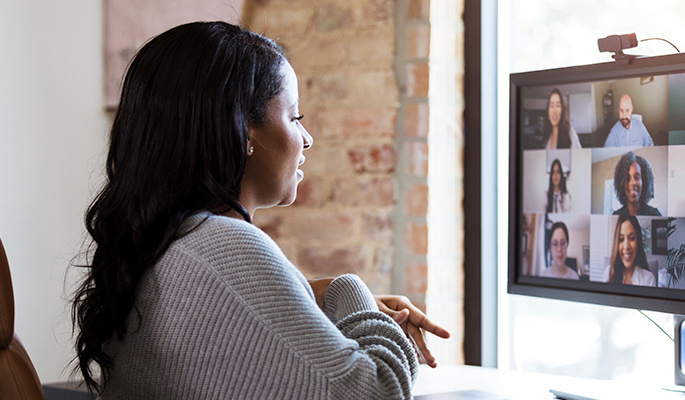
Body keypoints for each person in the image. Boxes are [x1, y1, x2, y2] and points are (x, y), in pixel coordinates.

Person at [71, 22, 449, 399]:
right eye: (294, 117)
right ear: (245, 131)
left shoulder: (165, 243)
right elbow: (379, 392)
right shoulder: (224, 244)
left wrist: (306, 296)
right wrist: (347, 289)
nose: (307, 139)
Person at [603, 215, 656, 286]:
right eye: (621, 239)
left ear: (638, 242)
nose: (626, 246)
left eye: (632, 238)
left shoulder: (649, 279)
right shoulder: (608, 274)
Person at [612, 151, 661, 216]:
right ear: (621, 183)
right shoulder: (616, 215)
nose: (632, 183)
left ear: (644, 181)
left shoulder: (654, 215)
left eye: (637, 177)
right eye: (627, 178)